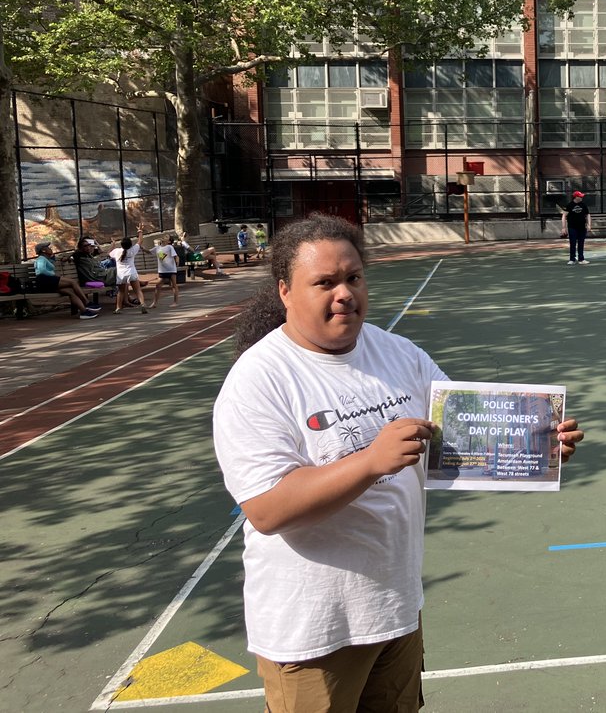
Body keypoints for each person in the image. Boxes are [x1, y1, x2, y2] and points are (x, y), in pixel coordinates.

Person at [212, 213, 583, 713]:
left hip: (393, 607)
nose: (344, 293)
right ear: (284, 292)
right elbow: (267, 510)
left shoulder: (396, 352)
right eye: (324, 282)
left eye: (354, 277)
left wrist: (539, 442)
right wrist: (371, 463)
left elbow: (461, 432)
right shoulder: (259, 379)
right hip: (313, 629)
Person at [33, 241, 100, 319]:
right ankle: (87, 302)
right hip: (45, 280)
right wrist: (54, 276)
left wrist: (52, 259)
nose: (50, 249)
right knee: (73, 282)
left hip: (48, 281)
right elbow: (41, 270)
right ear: (43, 250)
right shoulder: (41, 259)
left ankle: (84, 312)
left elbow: (48, 266)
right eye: (48, 248)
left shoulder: (45, 259)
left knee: (71, 292)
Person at [110, 227, 149, 313]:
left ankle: (118, 308)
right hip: (132, 273)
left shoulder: (117, 251)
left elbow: (109, 253)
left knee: (121, 291)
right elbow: (140, 241)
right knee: (138, 290)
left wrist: (113, 243)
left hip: (121, 274)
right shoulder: (132, 250)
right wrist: (140, 231)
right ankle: (142, 304)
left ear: (121, 245)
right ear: (131, 245)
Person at [559, 190, 591, 265]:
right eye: (580, 196)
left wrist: (589, 224)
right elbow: (564, 216)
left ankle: (581, 259)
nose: (581, 198)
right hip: (572, 227)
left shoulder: (583, 205)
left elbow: (588, 215)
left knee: (581, 243)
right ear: (576, 197)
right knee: (572, 243)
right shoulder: (570, 205)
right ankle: (572, 259)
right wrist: (563, 227)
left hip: (582, 227)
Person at [149, 235, 180, 309]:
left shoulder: (170, 247)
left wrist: (177, 261)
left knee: (173, 285)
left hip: (171, 269)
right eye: (164, 236)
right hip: (162, 270)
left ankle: (175, 302)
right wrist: (142, 248)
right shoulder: (157, 248)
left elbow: (176, 256)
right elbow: (149, 251)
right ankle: (154, 303)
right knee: (158, 286)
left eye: (166, 237)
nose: (163, 237)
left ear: (169, 241)